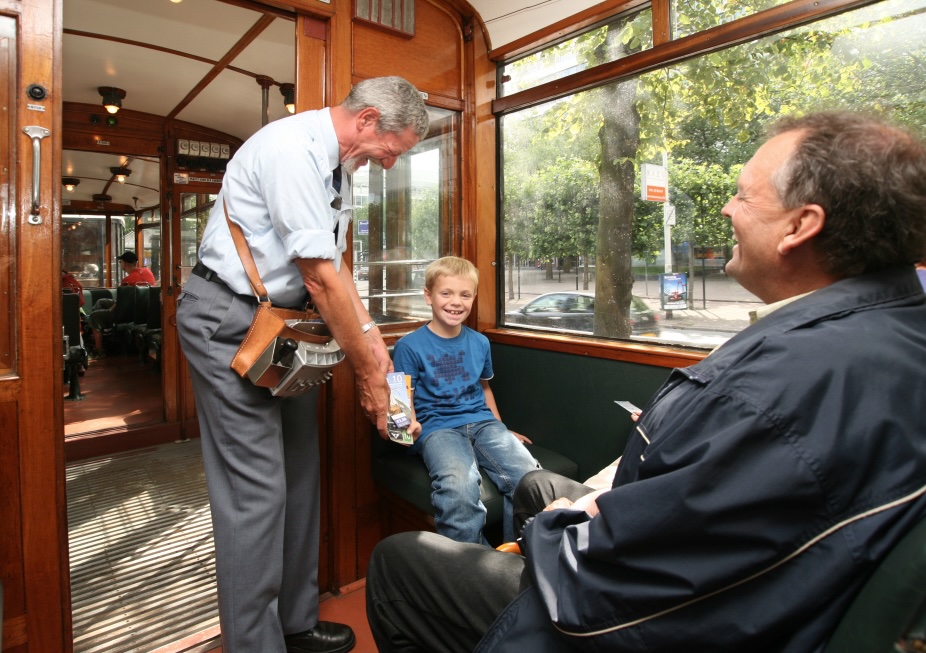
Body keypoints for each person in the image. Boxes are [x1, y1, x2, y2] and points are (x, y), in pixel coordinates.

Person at [365, 111, 926, 653]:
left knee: (398, 561)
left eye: (743, 194)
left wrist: (540, 544)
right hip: (663, 555)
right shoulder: (892, 337)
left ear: (801, 226)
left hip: (630, 611)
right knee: (534, 487)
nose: (727, 207)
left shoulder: (770, 384)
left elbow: (634, 575)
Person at [176, 76, 428, 653]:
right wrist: (368, 374)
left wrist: (375, 348)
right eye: (392, 151)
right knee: (255, 490)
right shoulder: (290, 149)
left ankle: (293, 620)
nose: (390, 165)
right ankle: (256, 644)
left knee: (299, 470)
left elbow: (336, 270)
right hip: (227, 316)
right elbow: (317, 274)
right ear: (367, 121)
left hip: (282, 325)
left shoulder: (336, 166)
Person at [392, 256, 540, 545]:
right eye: (446, 293)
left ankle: (520, 556)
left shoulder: (480, 342)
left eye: (465, 294)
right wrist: (404, 428)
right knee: (459, 487)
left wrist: (502, 428)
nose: (455, 302)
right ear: (428, 296)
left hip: (483, 423)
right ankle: (470, 570)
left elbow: (484, 389)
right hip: (438, 429)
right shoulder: (408, 346)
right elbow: (399, 398)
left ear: (473, 298)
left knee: (530, 476)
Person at [87, 251, 156, 357]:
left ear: (124, 263)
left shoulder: (127, 280)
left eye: (120, 262)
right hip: (142, 311)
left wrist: (110, 311)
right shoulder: (148, 272)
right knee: (101, 302)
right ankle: (101, 331)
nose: (120, 264)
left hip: (127, 313)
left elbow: (121, 304)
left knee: (94, 316)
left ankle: (99, 350)